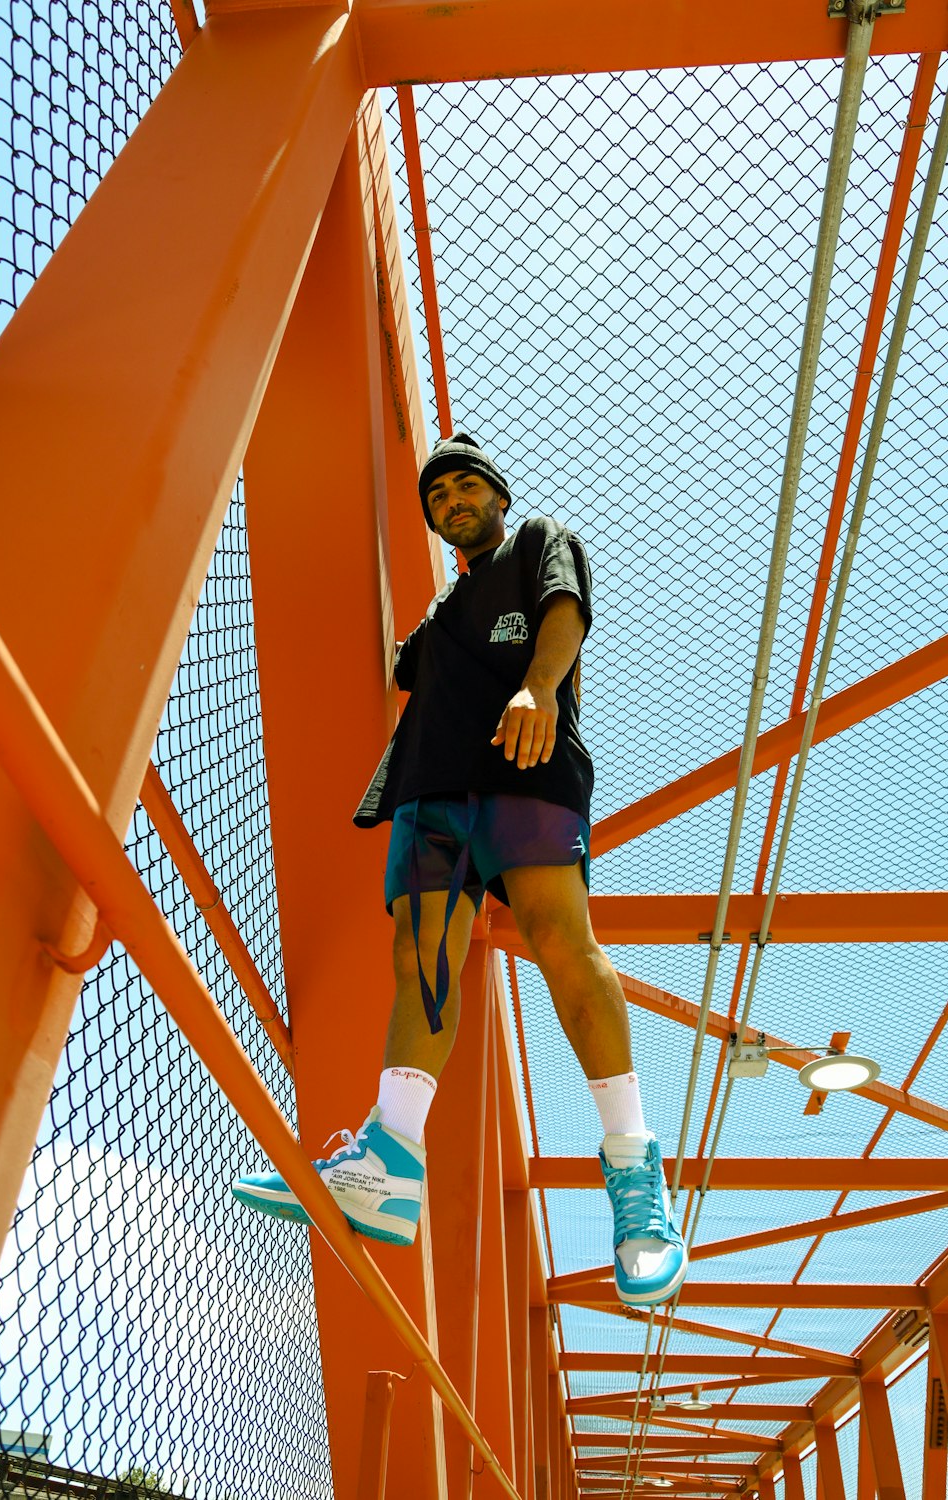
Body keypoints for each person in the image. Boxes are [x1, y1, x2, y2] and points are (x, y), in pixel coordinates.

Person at [233, 434, 687, 1307]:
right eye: (436, 496)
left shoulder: (535, 543)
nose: (453, 500)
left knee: (561, 939)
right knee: (421, 961)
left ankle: (635, 1176)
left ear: (498, 497)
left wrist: (541, 689)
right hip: (433, 795)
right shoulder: (438, 623)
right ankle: (387, 1161)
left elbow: (565, 612)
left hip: (527, 763)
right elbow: (392, 661)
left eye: (468, 485)